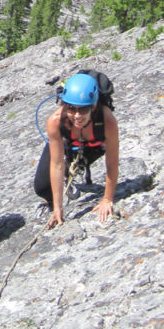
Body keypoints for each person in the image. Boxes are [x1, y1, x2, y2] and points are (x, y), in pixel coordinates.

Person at [34, 72, 119, 227]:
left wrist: (108, 199)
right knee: (41, 187)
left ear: (93, 106)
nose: (77, 115)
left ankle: (73, 172)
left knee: (78, 162)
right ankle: (65, 187)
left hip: (94, 146)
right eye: (72, 109)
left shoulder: (107, 121)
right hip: (67, 144)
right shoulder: (55, 122)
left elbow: (112, 162)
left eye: (83, 110)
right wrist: (57, 208)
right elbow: (57, 164)